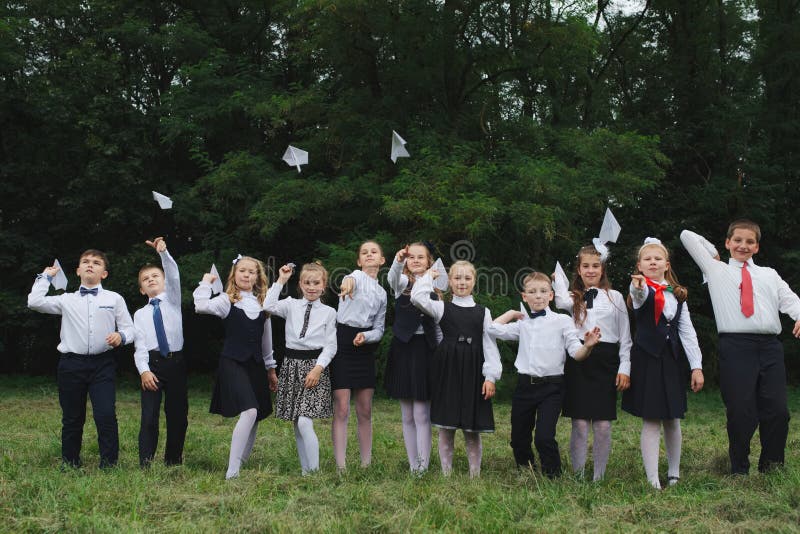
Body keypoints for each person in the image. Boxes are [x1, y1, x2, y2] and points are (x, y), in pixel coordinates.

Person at [681, 221, 798, 474]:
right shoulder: (716, 270)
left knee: (778, 410)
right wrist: (712, 252)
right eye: (737, 240)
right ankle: (739, 469)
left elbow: (790, 300)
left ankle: (772, 467)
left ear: (757, 247)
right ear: (728, 243)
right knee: (741, 410)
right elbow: (686, 235)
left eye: (749, 242)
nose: (743, 246)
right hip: (735, 346)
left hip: (770, 347)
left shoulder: (769, 274)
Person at [27, 249, 135, 468]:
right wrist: (45, 276)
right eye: (85, 261)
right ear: (77, 271)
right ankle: (70, 462)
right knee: (72, 417)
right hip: (71, 364)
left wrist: (121, 336)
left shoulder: (114, 299)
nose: (90, 265)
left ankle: (109, 465)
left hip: (103, 364)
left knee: (105, 415)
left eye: (96, 263)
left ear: (104, 273)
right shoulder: (66, 300)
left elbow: (130, 329)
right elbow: (34, 302)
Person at [490, 271, 600, 478]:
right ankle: (527, 469)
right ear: (525, 296)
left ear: (551, 295)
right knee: (518, 437)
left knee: (544, 437)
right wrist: (513, 314)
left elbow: (576, 354)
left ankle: (553, 475)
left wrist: (588, 346)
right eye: (532, 292)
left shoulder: (562, 321)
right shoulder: (522, 324)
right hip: (525, 387)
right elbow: (492, 329)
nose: (538, 296)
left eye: (543, 291)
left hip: (552, 387)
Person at [622, 238, 704, 488]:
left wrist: (696, 366)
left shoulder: (677, 295)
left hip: (671, 360)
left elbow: (687, 331)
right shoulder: (640, 288)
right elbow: (639, 295)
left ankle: (674, 473)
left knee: (672, 418)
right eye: (647, 259)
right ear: (640, 265)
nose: (653, 262)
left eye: (657, 259)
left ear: (666, 265)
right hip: (647, 359)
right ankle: (652, 480)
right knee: (651, 418)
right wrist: (636, 286)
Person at [410, 260, 502, 477]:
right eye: (457, 278)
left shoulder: (483, 312)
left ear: (474, 281)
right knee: (446, 425)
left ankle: (475, 475)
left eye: (467, 278)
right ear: (449, 281)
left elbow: (490, 346)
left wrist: (490, 376)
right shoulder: (442, 308)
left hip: (473, 370)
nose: (462, 282)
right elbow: (417, 297)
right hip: (448, 370)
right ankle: (446, 474)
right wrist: (428, 277)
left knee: (472, 428)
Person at [193, 255, 278, 479]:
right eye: (242, 270)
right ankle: (233, 471)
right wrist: (205, 282)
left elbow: (266, 340)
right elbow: (200, 306)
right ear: (234, 274)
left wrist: (271, 369)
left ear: (258, 277)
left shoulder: (263, 303)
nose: (247, 274)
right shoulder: (226, 300)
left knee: (256, 414)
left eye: (251, 271)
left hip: (256, 364)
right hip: (232, 361)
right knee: (249, 411)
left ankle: (242, 460)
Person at [554, 244, 631, 480]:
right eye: (585, 266)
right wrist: (557, 279)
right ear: (578, 270)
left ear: (603, 268)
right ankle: (578, 475)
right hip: (579, 359)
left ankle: (598, 476)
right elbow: (557, 299)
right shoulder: (571, 298)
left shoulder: (615, 297)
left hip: (606, 362)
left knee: (603, 425)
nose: (590, 270)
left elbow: (626, 337)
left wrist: (625, 367)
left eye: (595, 266)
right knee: (579, 424)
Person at [265, 262, 337, 475]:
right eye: (307, 282)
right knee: (297, 422)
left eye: (316, 283)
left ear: (324, 286)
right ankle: (305, 471)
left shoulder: (329, 312)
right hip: (291, 365)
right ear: (300, 285)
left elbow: (331, 345)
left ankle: (314, 473)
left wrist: (318, 368)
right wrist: (280, 281)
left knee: (305, 421)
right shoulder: (290, 305)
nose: (311, 287)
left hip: (314, 368)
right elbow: (267, 307)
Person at [385, 243, 441, 474]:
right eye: (411, 257)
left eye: (421, 257)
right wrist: (397, 260)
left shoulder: (435, 290)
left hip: (425, 350)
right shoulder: (402, 284)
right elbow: (392, 277)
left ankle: (423, 465)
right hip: (403, 349)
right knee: (407, 413)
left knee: (421, 413)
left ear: (429, 262)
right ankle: (412, 464)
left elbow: (438, 326)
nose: (416, 260)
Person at [331, 241, 387, 470]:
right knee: (342, 407)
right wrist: (347, 285)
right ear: (359, 261)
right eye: (364, 253)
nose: (369, 255)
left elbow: (380, 329)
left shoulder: (383, 293)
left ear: (382, 260)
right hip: (343, 341)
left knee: (365, 408)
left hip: (364, 345)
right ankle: (341, 465)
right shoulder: (353, 277)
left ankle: (366, 463)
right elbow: (350, 280)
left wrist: (367, 337)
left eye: (374, 252)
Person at [132, 237, 188, 467]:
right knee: (149, 416)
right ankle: (145, 461)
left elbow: (174, 275)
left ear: (164, 281)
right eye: (146, 279)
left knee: (177, 415)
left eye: (155, 276)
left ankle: (172, 460)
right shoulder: (139, 314)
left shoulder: (173, 300)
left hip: (176, 363)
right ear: (141, 289)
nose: (151, 280)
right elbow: (140, 347)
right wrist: (144, 371)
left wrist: (164, 255)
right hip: (153, 365)